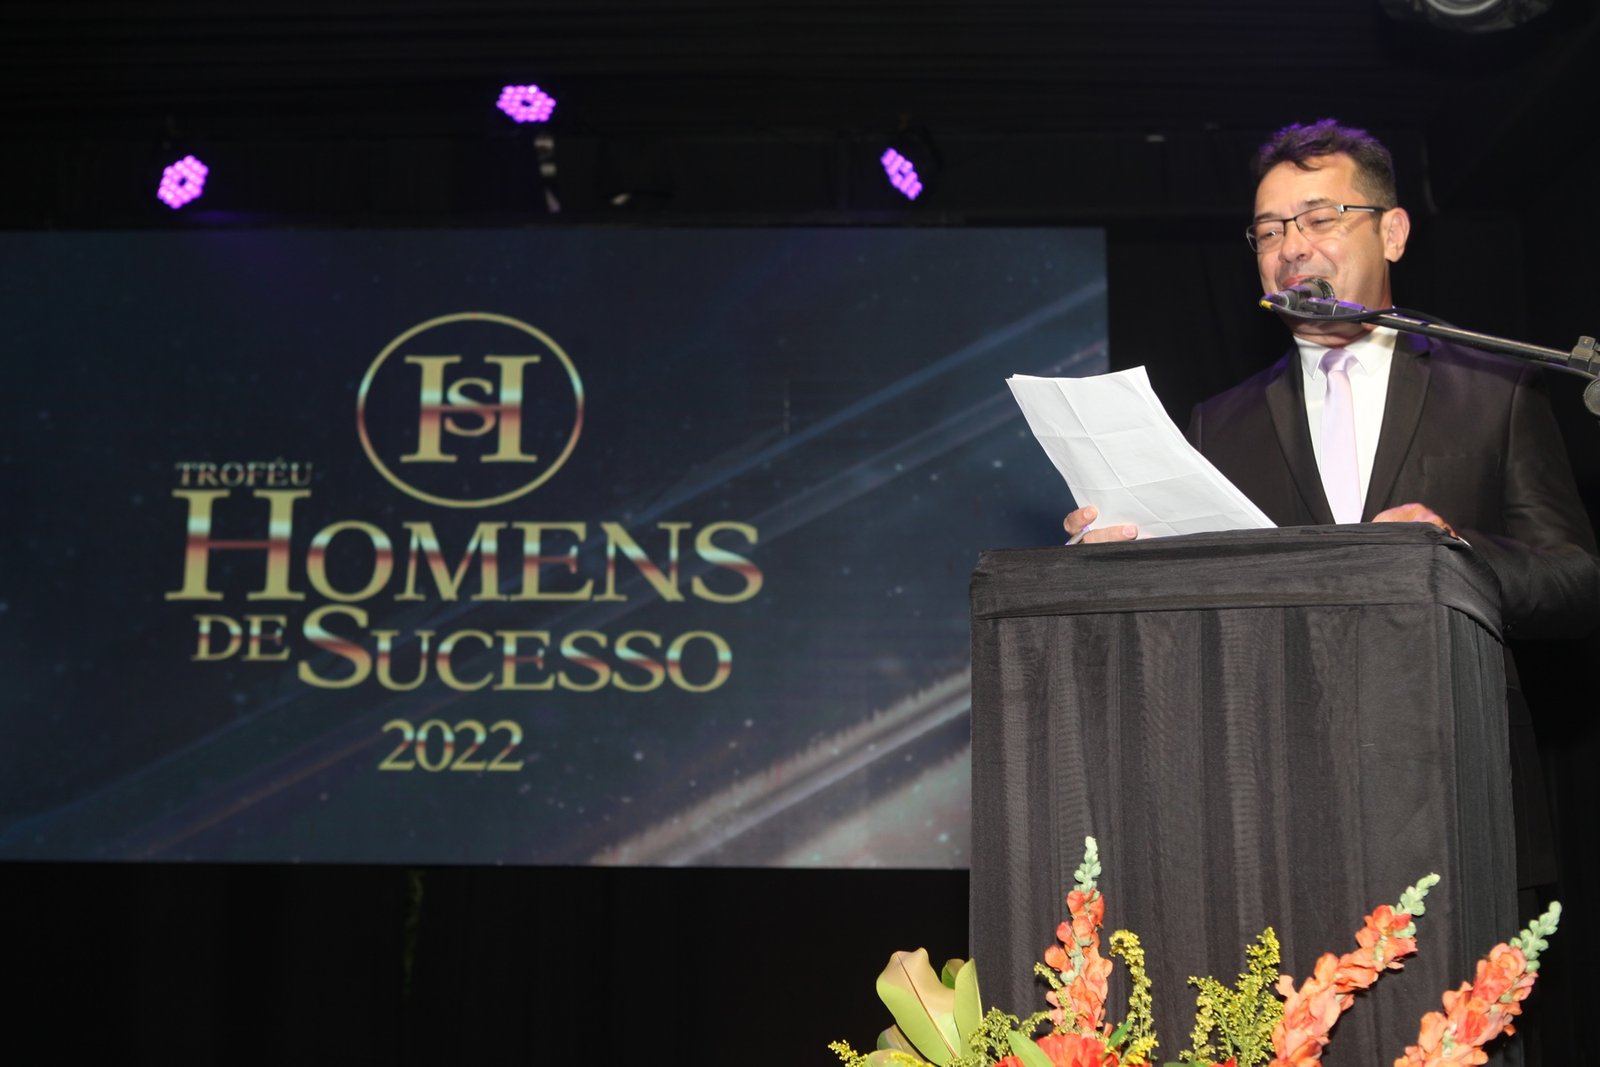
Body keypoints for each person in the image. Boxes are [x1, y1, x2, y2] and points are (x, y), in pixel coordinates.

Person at [1067, 117, 1600, 1064]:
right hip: (1283, 814)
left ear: (1391, 232)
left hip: (1460, 800)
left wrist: (1456, 549)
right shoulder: (1220, 423)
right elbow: (1201, 619)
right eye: (1270, 230)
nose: (1292, 247)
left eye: (1319, 219)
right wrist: (1122, 557)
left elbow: (1575, 582)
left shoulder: (1495, 389)